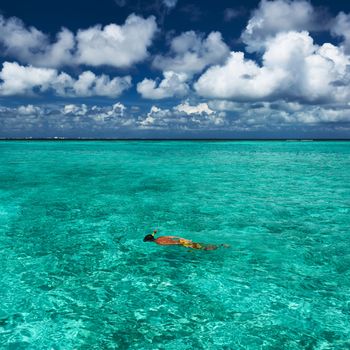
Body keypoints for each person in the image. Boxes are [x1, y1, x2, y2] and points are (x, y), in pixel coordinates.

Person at [143, 230, 227, 251]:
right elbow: (172, 236)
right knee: (199, 244)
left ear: (149, 241)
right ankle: (220, 245)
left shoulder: (158, 242)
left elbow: (171, 243)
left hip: (182, 243)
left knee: (202, 249)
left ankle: (221, 246)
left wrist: (179, 244)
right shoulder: (160, 237)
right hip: (182, 240)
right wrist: (154, 232)